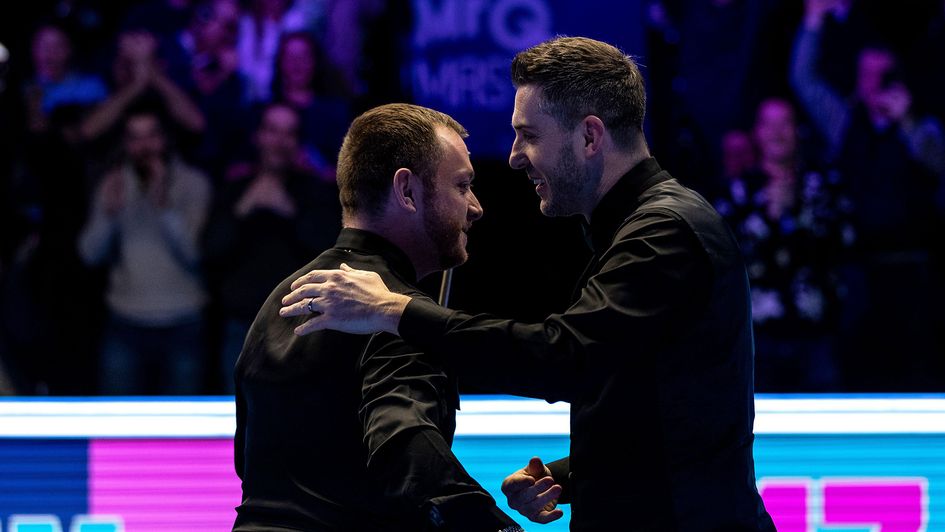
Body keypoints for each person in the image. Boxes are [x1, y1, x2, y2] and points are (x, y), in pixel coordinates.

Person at [279, 36, 775, 530]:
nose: (514, 157)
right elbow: (663, 407)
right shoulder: (648, 228)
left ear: (589, 137)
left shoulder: (664, 231)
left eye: (528, 134)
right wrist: (571, 476)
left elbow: (564, 357)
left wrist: (394, 311)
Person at [233, 103, 523, 531]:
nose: (476, 207)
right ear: (406, 191)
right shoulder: (392, 311)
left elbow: (249, 460)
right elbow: (405, 442)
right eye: (462, 186)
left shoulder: (281, 296)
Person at [202, 102, 340, 394]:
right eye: (272, 131)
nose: (279, 141)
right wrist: (243, 210)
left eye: (288, 133)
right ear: (258, 136)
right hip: (241, 327)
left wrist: (288, 211)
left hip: (299, 327)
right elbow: (210, 251)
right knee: (240, 422)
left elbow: (331, 253)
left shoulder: (315, 191)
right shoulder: (234, 190)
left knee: (297, 424)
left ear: (297, 141)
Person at [78, 103, 211, 394]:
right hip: (125, 321)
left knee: (181, 428)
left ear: (165, 139)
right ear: (125, 143)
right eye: (135, 137)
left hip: (182, 321)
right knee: (118, 428)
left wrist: (164, 208)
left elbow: (194, 256)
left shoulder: (193, 184)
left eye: (151, 135)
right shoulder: (113, 183)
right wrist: (109, 215)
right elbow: (89, 254)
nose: (144, 146)